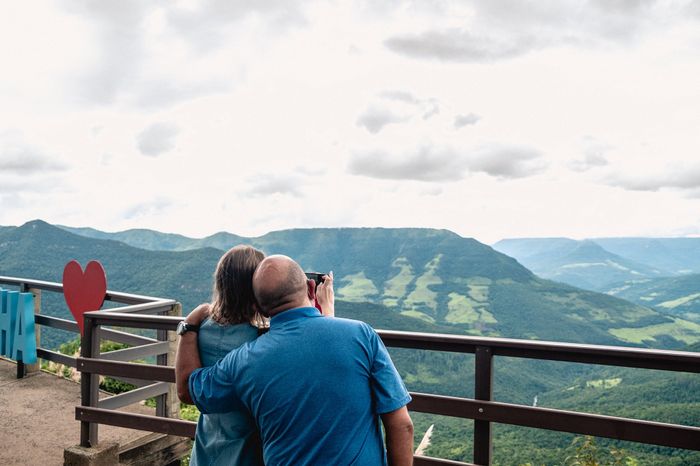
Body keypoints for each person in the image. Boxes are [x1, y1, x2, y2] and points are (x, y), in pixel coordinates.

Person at [176, 255, 414, 466]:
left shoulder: (244, 360)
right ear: (311, 288)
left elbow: (189, 389)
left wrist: (189, 326)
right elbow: (402, 424)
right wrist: (327, 318)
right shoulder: (361, 334)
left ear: (260, 307)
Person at [180, 246, 335, 466]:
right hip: (249, 453)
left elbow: (186, 392)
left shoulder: (199, 328)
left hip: (207, 448)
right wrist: (326, 313)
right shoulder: (263, 341)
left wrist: (188, 324)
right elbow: (318, 359)